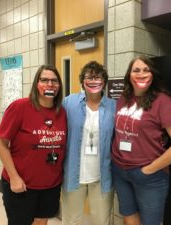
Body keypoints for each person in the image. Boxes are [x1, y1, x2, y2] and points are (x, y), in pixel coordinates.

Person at [111, 56, 171, 225]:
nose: (141, 74)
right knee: (129, 216)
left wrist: (149, 169)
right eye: (136, 70)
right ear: (129, 75)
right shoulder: (123, 98)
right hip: (120, 170)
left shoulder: (163, 101)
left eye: (146, 70)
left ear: (153, 74)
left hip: (148, 174)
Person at [0, 65, 67, 225]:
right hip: (22, 185)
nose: (50, 84)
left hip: (51, 184)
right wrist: (14, 177)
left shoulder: (61, 112)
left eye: (54, 81)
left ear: (59, 86)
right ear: (36, 84)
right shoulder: (20, 107)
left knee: (41, 222)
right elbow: (0, 142)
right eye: (44, 80)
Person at [61, 61, 116, 225]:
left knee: (102, 221)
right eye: (89, 77)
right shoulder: (69, 103)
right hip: (73, 175)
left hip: (102, 176)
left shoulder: (114, 107)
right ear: (83, 81)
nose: (94, 81)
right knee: (71, 221)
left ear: (104, 81)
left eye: (98, 77)